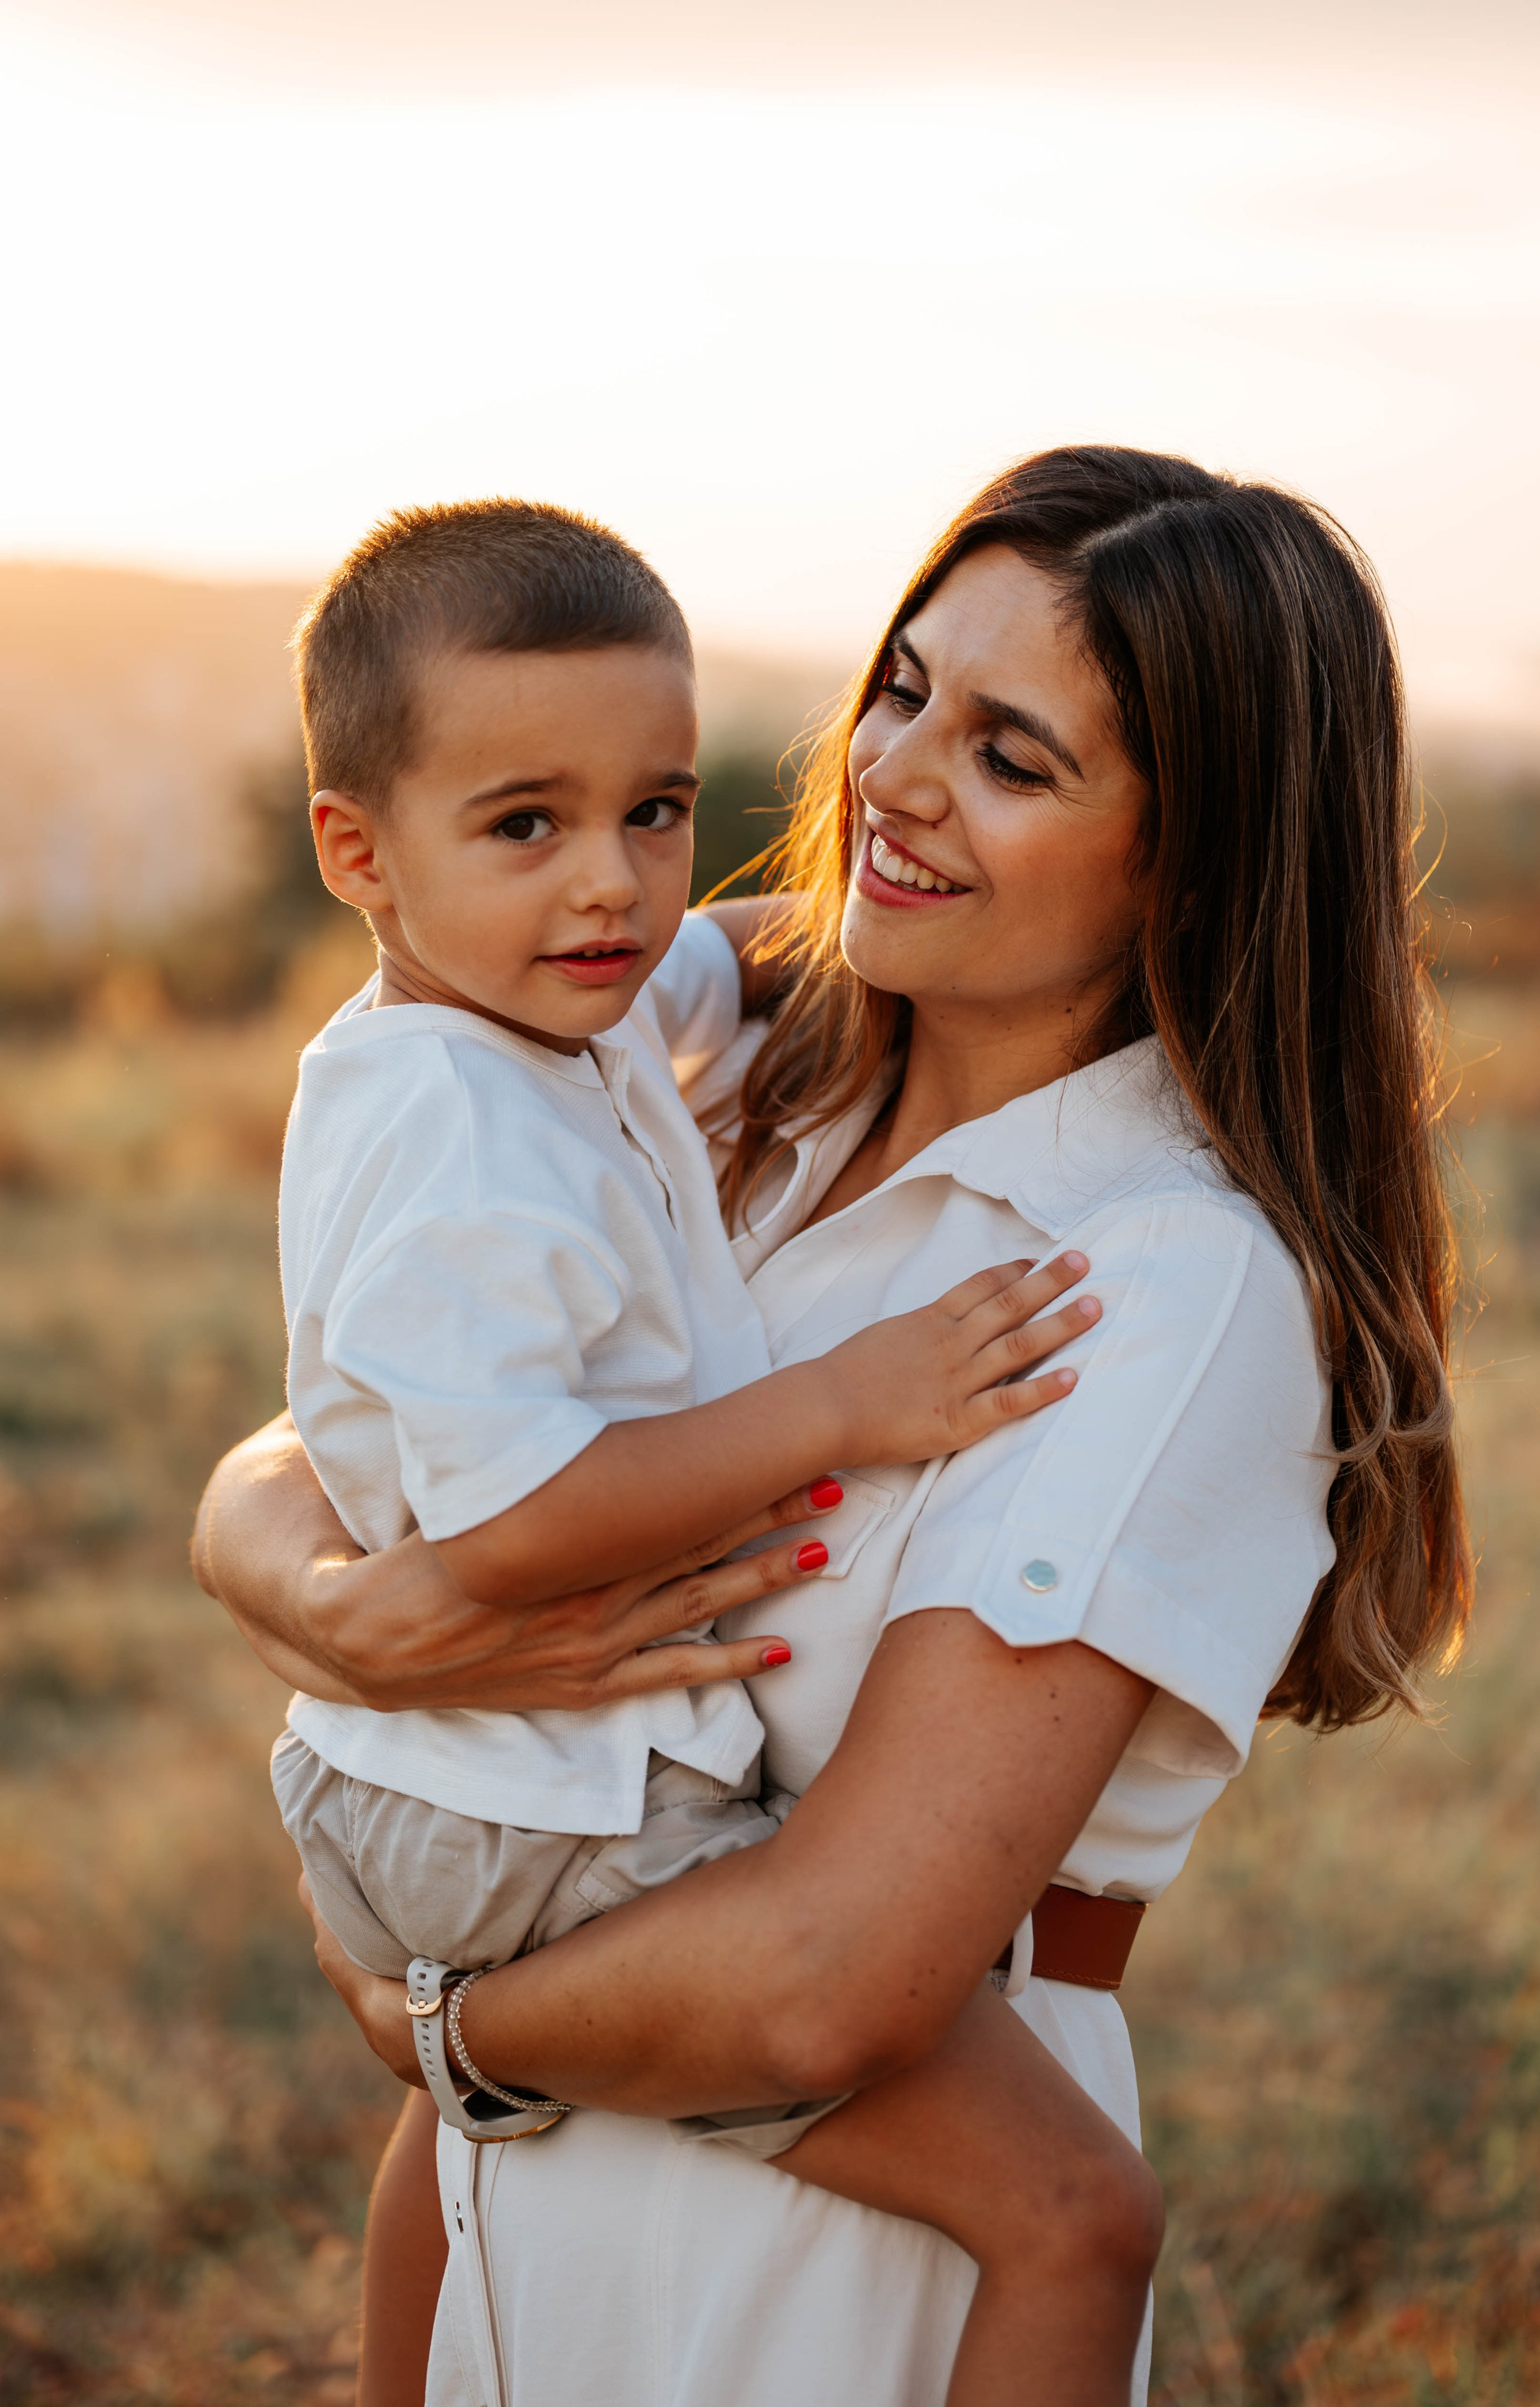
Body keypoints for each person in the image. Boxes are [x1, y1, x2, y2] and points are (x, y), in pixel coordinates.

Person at [195, 444, 1471, 2407]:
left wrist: (442, 2028)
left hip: (823, 2261)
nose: (890, 778)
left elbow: (833, 1978)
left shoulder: (1156, 1279)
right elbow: (399, 1381)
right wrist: (288, 1572)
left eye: (1014, 759)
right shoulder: (723, 1059)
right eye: (903, 691)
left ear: (1194, 853)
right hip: (525, 2196)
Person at [264, 495, 1161, 2401]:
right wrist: (840, 1406)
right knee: (1068, 2210)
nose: (611, 886)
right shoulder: (455, 1123)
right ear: (356, 851)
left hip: (481, 1777)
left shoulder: (548, 1008)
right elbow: (509, 1522)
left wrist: (860, 911)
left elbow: (759, 943)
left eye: (654, 811)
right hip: (517, 1803)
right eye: (527, 824)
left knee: (471, 2123)